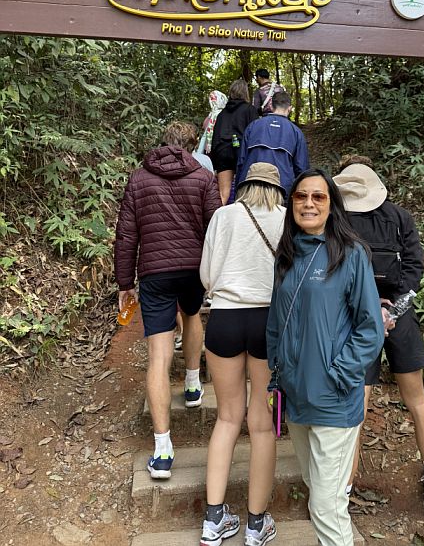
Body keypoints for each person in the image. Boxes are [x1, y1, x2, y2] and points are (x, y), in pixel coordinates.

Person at [266, 168, 384, 546]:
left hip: (334, 398)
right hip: (296, 397)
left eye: (318, 197)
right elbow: (276, 323)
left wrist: (340, 373)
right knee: (314, 485)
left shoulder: (349, 255)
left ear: (332, 206)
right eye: (301, 196)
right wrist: (276, 376)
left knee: (326, 505)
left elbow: (370, 328)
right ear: (291, 203)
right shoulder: (286, 256)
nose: (309, 204)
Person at [333, 157, 424, 516]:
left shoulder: (337, 219)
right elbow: (414, 267)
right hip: (400, 318)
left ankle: (341, 494)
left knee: (356, 408)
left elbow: (334, 273)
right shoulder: (400, 217)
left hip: (354, 321)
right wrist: (391, 311)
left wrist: (369, 309)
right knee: (417, 401)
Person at [114, 121, 221, 480]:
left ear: (162, 143)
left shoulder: (138, 179)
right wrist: (215, 273)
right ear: (191, 146)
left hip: (155, 272)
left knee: (158, 357)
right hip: (193, 268)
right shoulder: (203, 178)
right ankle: (192, 384)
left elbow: (126, 234)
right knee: (191, 316)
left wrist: (124, 283)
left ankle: (162, 451)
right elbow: (215, 228)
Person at [199, 163, 286, 546]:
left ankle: (214, 520)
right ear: (278, 189)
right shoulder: (287, 218)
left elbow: (206, 274)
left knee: (227, 417)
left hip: (225, 319)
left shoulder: (224, 215)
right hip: (269, 321)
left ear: (244, 186)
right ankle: (256, 525)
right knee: (262, 424)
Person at [236, 91, 310, 200]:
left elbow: (241, 161)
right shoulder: (296, 132)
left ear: (271, 106)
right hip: (281, 190)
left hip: (250, 187)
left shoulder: (253, 126)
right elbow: (302, 169)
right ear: (290, 108)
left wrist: (238, 191)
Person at [210, 79, 259, 205]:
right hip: (242, 153)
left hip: (222, 153)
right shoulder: (250, 110)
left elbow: (215, 138)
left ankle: (218, 216)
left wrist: (214, 163)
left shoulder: (222, 114)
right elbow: (255, 134)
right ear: (245, 92)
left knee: (223, 194)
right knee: (244, 192)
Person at [197, 89, 228, 156]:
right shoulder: (211, 114)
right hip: (209, 147)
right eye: (211, 99)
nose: (212, 101)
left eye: (213, 99)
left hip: (216, 147)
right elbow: (205, 130)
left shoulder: (220, 114)